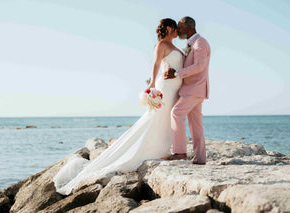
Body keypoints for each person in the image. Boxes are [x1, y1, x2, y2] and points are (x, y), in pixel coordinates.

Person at [53, 18, 185, 195]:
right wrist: (152, 83)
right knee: (156, 118)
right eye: (176, 29)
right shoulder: (161, 44)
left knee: (167, 118)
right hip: (166, 87)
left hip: (175, 87)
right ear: (169, 28)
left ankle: (162, 148)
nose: (178, 32)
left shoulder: (174, 46)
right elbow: (156, 64)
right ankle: (148, 151)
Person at [162, 16, 211, 165]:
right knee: (195, 124)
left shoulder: (200, 43)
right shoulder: (193, 43)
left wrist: (177, 74)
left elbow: (199, 66)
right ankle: (200, 158)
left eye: (180, 27)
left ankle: (180, 152)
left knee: (176, 113)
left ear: (189, 28)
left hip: (195, 88)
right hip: (194, 89)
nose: (178, 30)